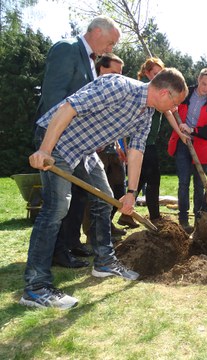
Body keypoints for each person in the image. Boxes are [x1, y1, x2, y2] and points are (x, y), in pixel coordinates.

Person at [20, 68, 188, 309]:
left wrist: (131, 193)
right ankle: (35, 288)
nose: (174, 109)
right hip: (57, 140)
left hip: (83, 150)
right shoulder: (118, 87)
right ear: (164, 93)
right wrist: (45, 150)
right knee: (57, 207)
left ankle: (104, 262)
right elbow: (68, 108)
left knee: (105, 199)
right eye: (175, 103)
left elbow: (136, 151)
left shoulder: (146, 114)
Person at [36, 16, 121, 269]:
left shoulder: (90, 61)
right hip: (59, 139)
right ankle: (51, 256)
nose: (111, 48)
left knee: (98, 195)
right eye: (110, 42)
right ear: (96, 31)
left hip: (79, 142)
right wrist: (53, 142)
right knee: (58, 203)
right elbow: (54, 99)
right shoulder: (67, 49)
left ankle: (80, 248)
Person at [167, 68, 207, 233]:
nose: (206, 88)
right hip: (182, 142)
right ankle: (183, 219)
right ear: (198, 79)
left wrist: (192, 130)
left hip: (202, 147)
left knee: (199, 185)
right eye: (203, 83)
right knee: (183, 182)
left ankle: (199, 219)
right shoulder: (184, 93)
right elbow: (170, 106)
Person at [94, 53, 130, 237]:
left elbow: (118, 124)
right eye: (114, 72)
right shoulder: (92, 91)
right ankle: (94, 233)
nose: (118, 77)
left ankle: (107, 225)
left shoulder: (116, 94)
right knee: (98, 194)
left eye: (120, 73)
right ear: (101, 69)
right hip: (95, 152)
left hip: (113, 149)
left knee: (118, 190)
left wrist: (120, 146)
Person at [132, 57, 168, 227]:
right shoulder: (145, 91)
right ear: (147, 73)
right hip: (140, 143)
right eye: (155, 73)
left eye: (161, 73)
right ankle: (154, 217)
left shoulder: (161, 92)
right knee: (149, 179)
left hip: (150, 142)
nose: (158, 76)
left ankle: (130, 213)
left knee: (144, 180)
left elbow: (168, 112)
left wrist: (181, 132)